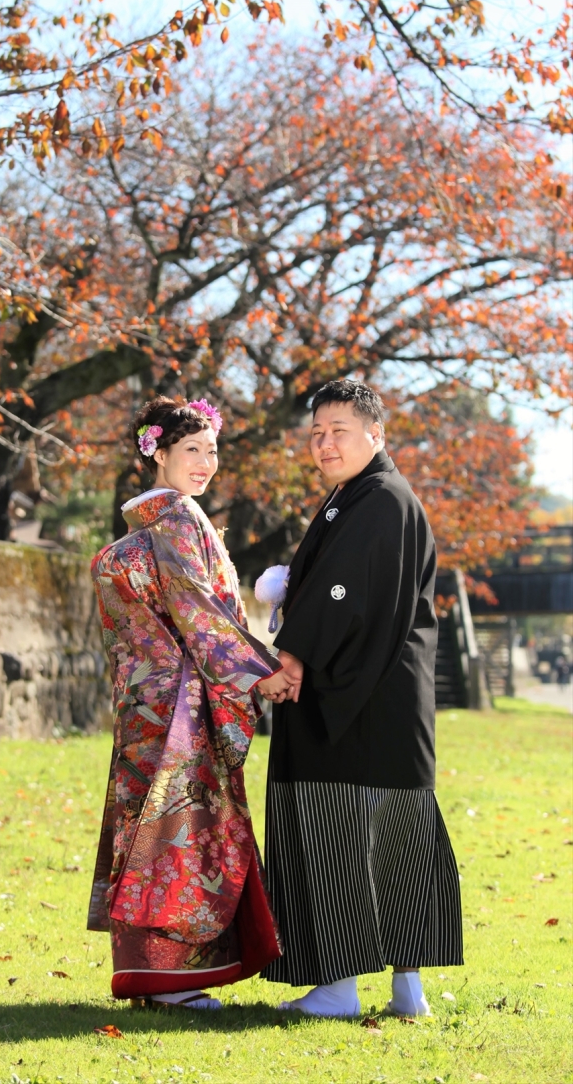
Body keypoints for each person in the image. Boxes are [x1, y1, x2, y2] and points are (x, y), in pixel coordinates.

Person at [257, 379, 464, 1018]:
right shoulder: (361, 497)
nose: (324, 443)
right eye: (316, 433)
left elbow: (340, 593)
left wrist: (291, 654)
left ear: (375, 434)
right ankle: (408, 988)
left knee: (342, 835)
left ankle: (340, 988)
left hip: (359, 702)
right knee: (397, 842)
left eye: (338, 430)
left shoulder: (380, 498)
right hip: (386, 702)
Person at [87, 395, 288, 1009]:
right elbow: (199, 610)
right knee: (179, 830)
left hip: (145, 699)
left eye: (212, 452)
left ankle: (154, 976)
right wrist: (260, 674)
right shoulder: (176, 517)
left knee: (148, 829)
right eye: (192, 450)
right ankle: (172, 981)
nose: (206, 463)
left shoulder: (148, 523)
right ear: (159, 453)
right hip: (179, 700)